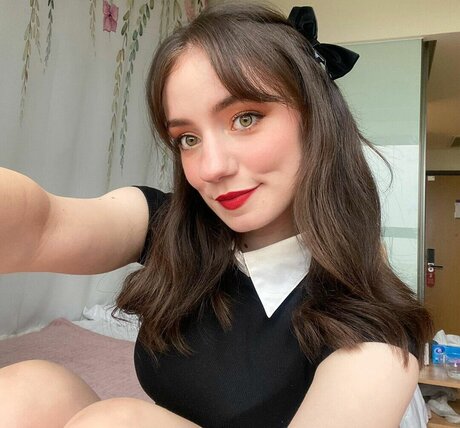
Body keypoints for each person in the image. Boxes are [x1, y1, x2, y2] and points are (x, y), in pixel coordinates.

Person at [0, 3, 432, 427]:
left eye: (245, 118)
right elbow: (43, 228)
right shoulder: (172, 228)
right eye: (188, 138)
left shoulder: (373, 337)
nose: (210, 168)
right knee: (30, 389)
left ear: (316, 120)